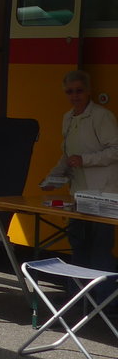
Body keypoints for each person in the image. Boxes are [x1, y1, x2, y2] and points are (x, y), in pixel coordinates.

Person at [40, 70, 118, 272]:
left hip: (103, 193)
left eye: (79, 90)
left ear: (88, 91)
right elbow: (67, 156)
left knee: (100, 248)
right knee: (78, 244)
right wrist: (52, 178)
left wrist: (85, 160)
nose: (75, 96)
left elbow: (115, 150)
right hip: (79, 194)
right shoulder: (68, 117)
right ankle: (77, 290)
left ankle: (102, 292)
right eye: (70, 91)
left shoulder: (101, 116)